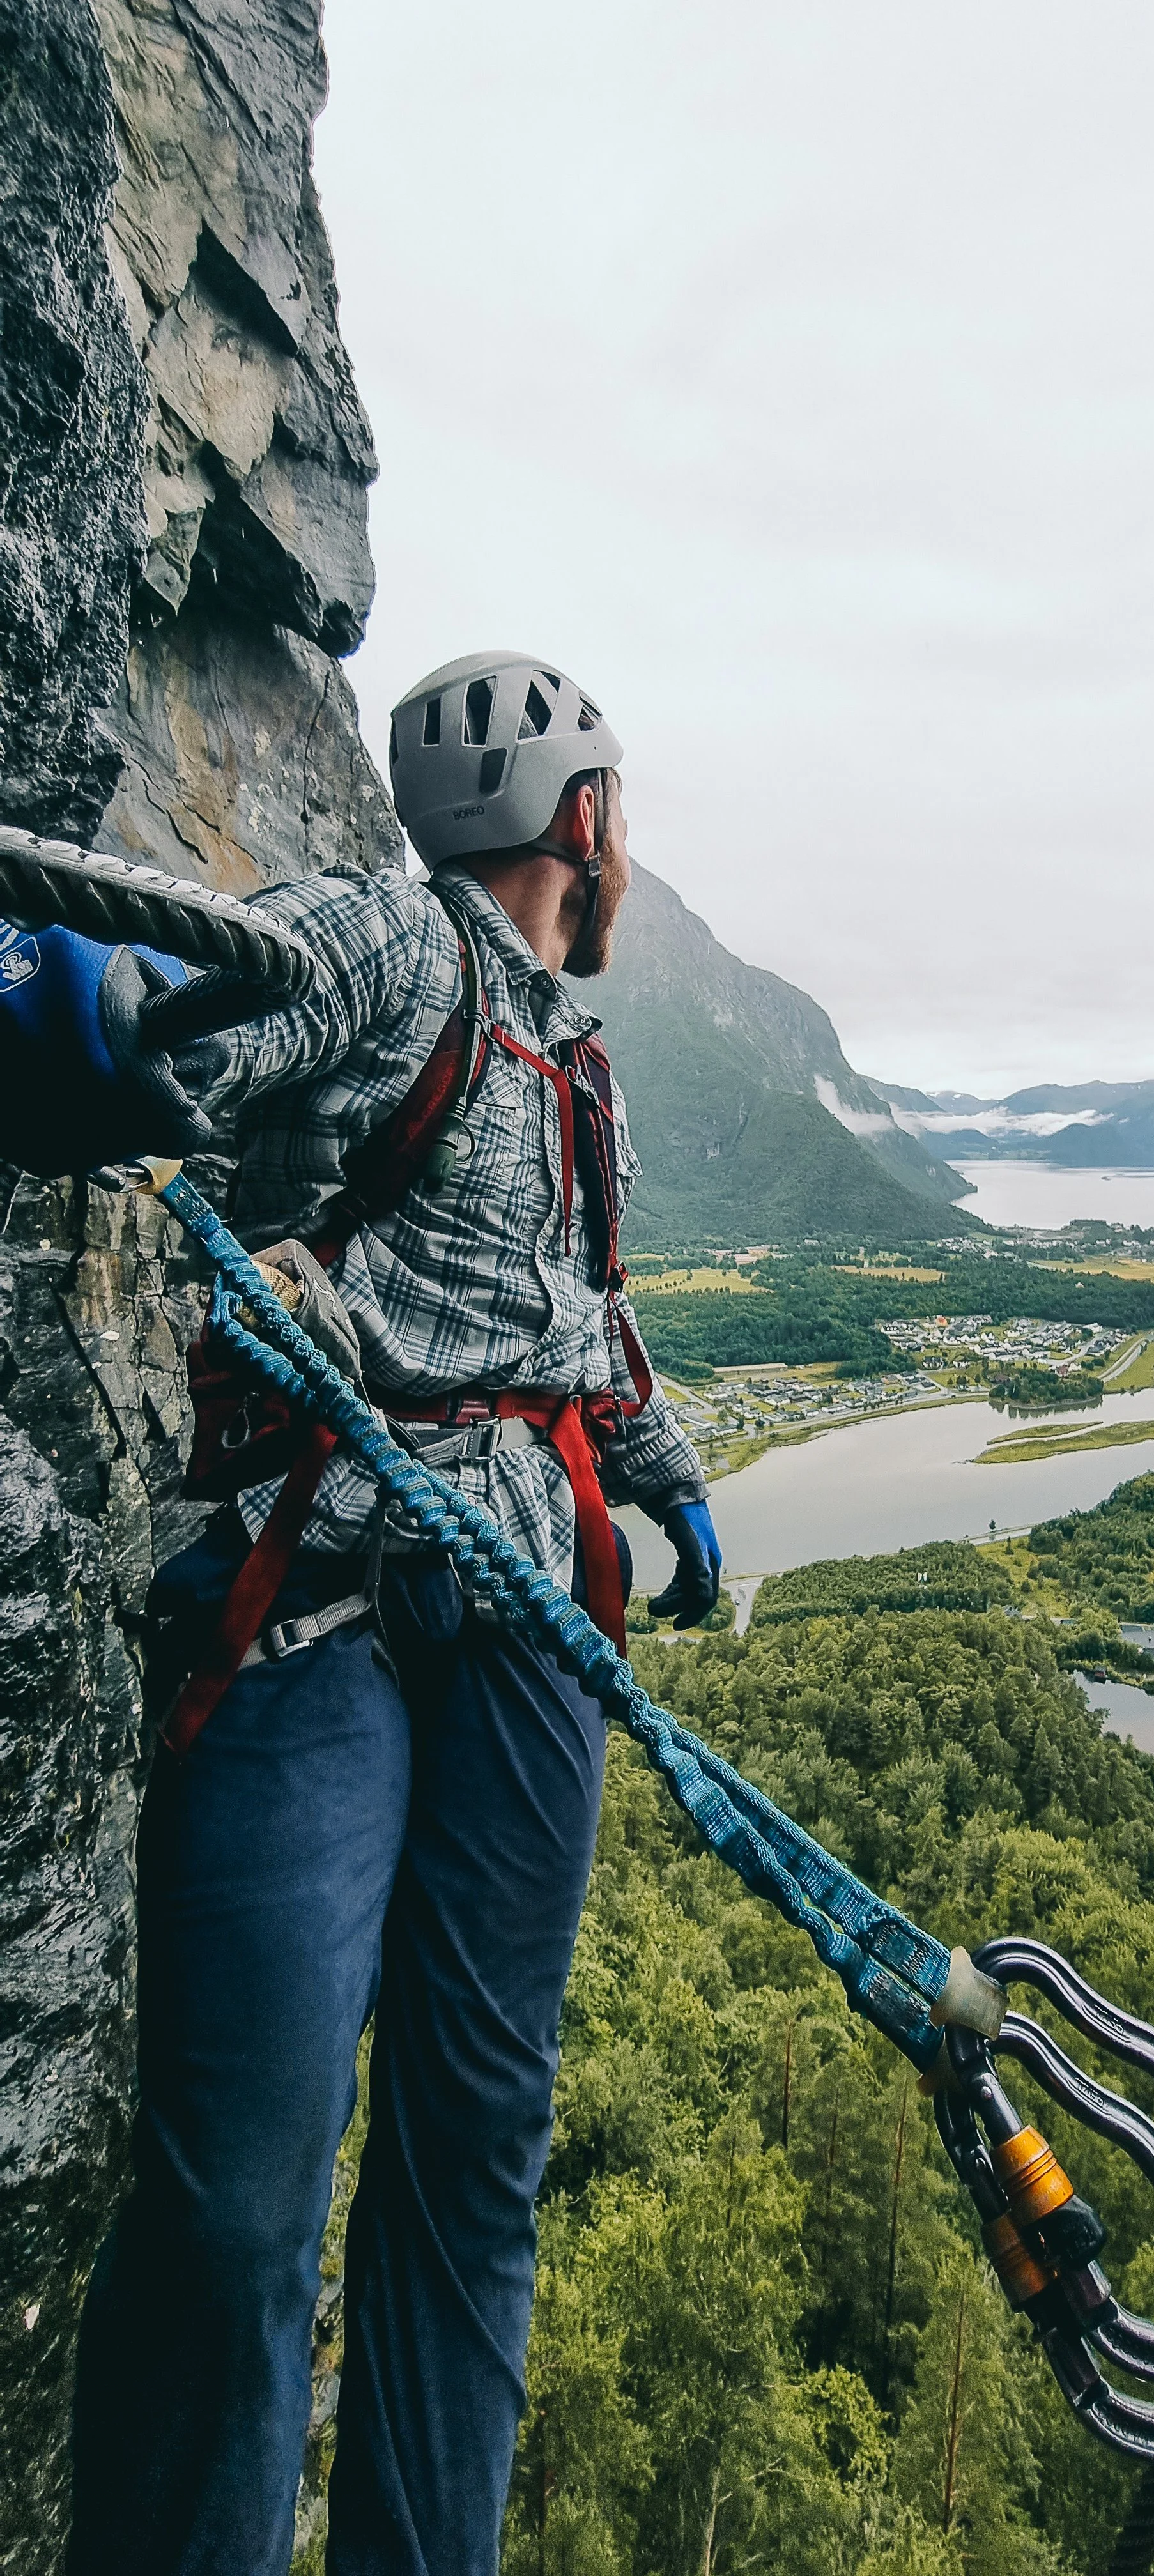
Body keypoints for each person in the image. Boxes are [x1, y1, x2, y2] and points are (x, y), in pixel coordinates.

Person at [66, 653, 723, 2576]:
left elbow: (575, 1315)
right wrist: (101, 1007)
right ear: (584, 823)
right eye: (623, 818)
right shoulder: (396, 947)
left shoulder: (567, 1068)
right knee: (243, 2198)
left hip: (524, 1619)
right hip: (319, 1605)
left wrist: (663, 1474)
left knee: (474, 2162)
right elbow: (219, 989)